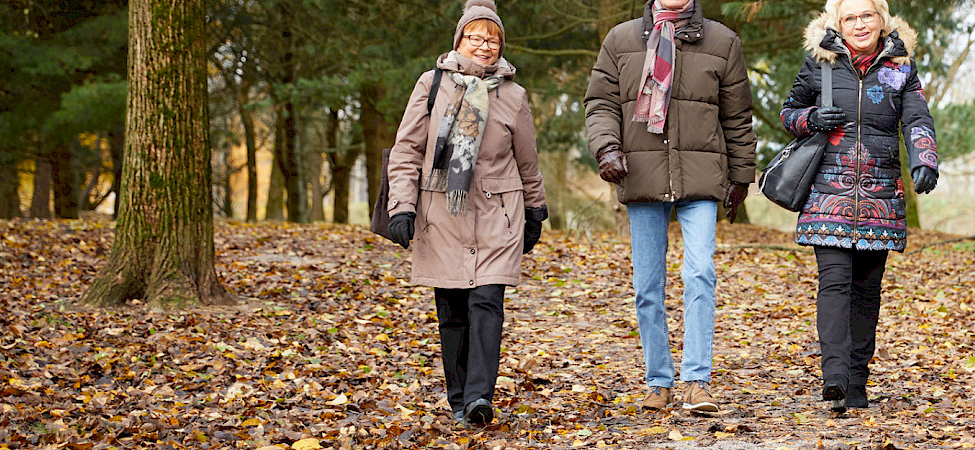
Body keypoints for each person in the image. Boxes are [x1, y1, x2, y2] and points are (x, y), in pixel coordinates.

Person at [584, 0, 757, 412]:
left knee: (700, 273)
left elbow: (737, 117)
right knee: (648, 286)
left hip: (700, 176)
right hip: (640, 173)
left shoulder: (723, 40)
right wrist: (607, 148)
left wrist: (742, 177)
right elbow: (600, 104)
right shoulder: (621, 38)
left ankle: (697, 381)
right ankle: (658, 382)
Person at [384, 0, 547, 427]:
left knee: (487, 302)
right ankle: (458, 398)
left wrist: (535, 210)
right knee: (452, 309)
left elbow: (527, 160)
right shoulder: (431, 85)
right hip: (441, 213)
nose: (484, 45)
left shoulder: (513, 95)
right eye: (475, 37)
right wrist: (402, 206)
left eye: (492, 39)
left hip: (498, 214)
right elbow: (406, 151)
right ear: (459, 40)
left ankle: (478, 398)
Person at [778, 0, 940, 413]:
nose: (860, 24)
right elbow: (789, 112)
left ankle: (856, 383)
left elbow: (917, 118)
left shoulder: (901, 67)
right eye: (850, 17)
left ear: (882, 19)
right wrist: (812, 118)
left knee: (867, 294)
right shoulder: (820, 64)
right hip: (827, 195)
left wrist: (925, 159)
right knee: (834, 284)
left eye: (867, 15)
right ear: (838, 23)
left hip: (880, 196)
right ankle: (834, 379)